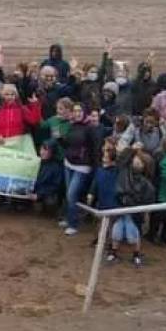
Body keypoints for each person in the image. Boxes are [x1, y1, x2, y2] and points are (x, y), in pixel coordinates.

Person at [58, 102, 100, 237]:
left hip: (82, 166)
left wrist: (95, 167)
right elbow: (68, 144)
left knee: (72, 194)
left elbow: (95, 148)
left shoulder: (90, 128)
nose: (76, 113)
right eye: (75, 111)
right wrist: (60, 139)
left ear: (84, 112)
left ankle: (73, 224)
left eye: (79, 111)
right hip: (68, 163)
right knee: (69, 194)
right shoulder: (71, 125)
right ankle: (69, 218)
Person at [109, 147, 156, 266]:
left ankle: (136, 254)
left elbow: (149, 199)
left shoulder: (146, 183)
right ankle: (113, 252)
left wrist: (135, 203)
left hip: (134, 212)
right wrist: (133, 149)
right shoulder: (124, 171)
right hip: (119, 208)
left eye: (139, 162)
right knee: (116, 231)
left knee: (133, 234)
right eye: (135, 159)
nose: (136, 162)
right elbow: (123, 157)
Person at [32, 140, 64, 213]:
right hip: (33, 191)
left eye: (46, 150)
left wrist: (39, 195)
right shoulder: (36, 162)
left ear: (52, 152)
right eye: (42, 149)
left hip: (45, 194)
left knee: (50, 202)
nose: (42, 152)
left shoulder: (57, 167)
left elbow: (55, 186)